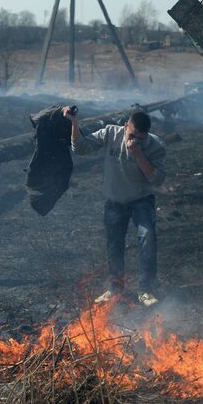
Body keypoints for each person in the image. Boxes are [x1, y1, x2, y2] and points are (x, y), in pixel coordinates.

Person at [65, 108, 166, 307]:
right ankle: (115, 288)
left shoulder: (155, 146)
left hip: (141, 201)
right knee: (114, 245)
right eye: (132, 135)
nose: (135, 140)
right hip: (115, 201)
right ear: (125, 126)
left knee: (147, 238)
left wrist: (138, 155)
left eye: (140, 138)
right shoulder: (111, 133)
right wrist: (74, 123)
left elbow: (157, 179)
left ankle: (146, 290)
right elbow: (80, 147)